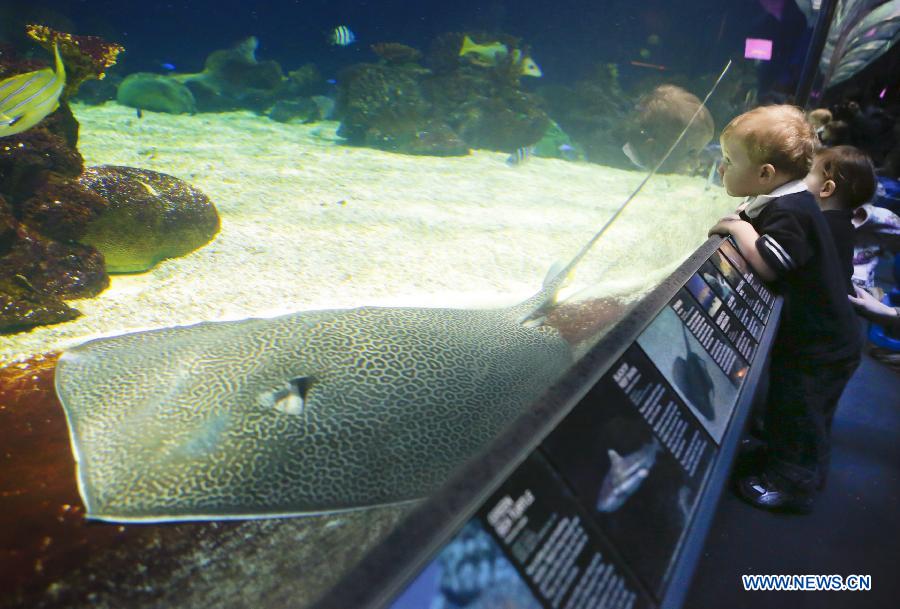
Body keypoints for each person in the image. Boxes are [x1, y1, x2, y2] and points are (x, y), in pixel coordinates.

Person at [708, 105, 862, 514]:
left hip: (821, 343)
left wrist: (739, 228)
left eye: (728, 161)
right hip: (820, 336)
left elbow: (772, 264)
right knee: (793, 406)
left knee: (802, 409)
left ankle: (792, 483)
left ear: (765, 175)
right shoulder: (789, 199)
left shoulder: (791, 211)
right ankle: (785, 457)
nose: (722, 169)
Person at [804, 145, 877, 291]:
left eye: (806, 172)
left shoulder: (817, 225)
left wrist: (743, 226)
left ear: (826, 189)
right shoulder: (842, 224)